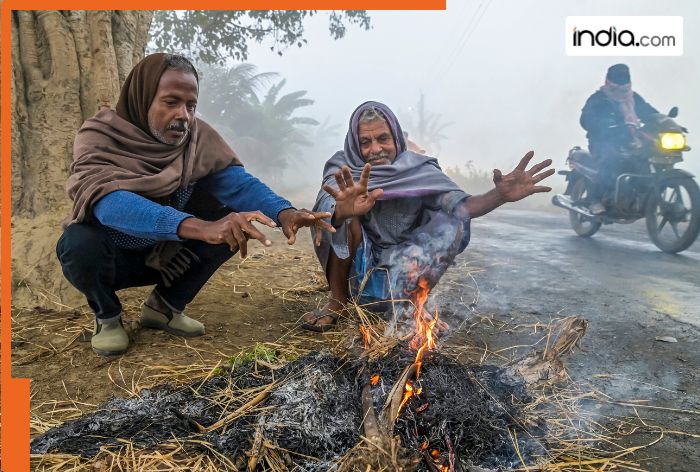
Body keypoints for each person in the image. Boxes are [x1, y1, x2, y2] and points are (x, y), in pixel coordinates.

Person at [57, 53, 333, 356]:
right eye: (171, 102)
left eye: (191, 105)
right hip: (112, 258)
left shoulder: (197, 140)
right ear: (143, 97)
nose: (184, 115)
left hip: (170, 258)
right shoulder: (100, 136)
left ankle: (164, 308)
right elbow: (108, 204)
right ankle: (107, 318)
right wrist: (200, 228)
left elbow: (237, 184)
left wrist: (285, 212)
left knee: (233, 221)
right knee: (76, 243)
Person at [301, 101, 554, 332]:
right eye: (365, 142)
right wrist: (343, 211)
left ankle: (414, 306)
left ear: (397, 139)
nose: (375, 149)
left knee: (451, 223)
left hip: (406, 267)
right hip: (358, 268)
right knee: (338, 218)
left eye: (383, 138)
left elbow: (460, 206)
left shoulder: (419, 168)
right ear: (354, 144)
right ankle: (338, 302)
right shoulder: (342, 167)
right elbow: (324, 209)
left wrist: (499, 196)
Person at [580, 64, 659, 214]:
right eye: (617, 80)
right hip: (603, 141)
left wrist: (666, 123)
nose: (620, 87)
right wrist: (604, 125)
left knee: (646, 158)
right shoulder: (599, 99)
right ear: (608, 81)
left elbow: (650, 113)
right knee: (611, 159)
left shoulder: (633, 98)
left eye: (624, 80)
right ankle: (595, 199)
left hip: (630, 140)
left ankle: (639, 197)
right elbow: (585, 119)